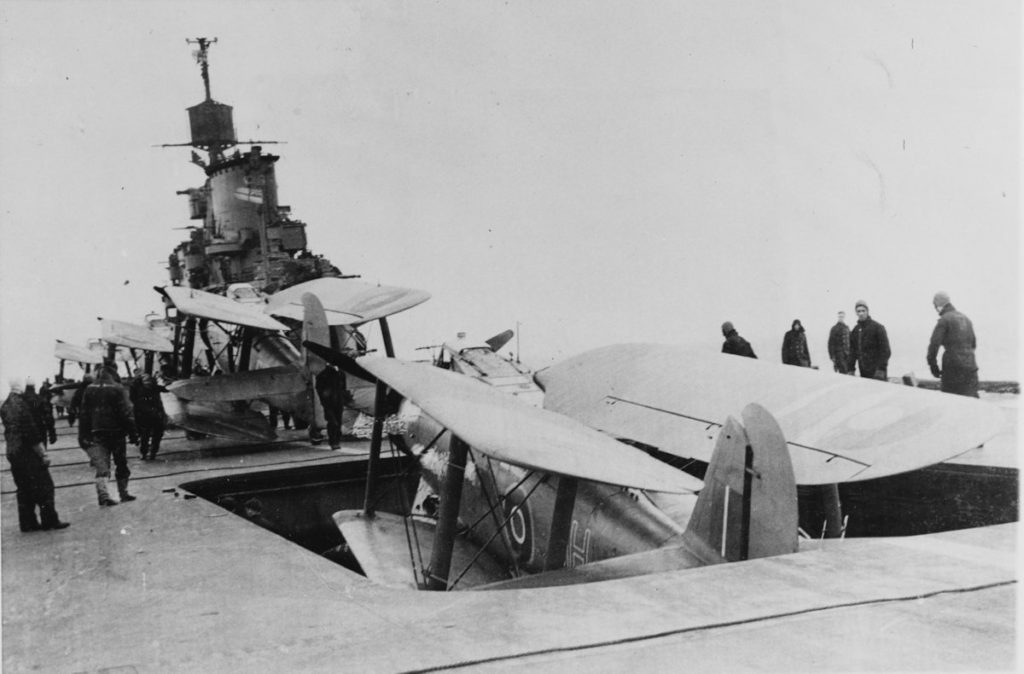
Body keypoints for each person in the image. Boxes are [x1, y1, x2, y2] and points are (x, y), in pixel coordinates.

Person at [1, 379, 69, 531]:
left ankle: (27, 523)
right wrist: (43, 454)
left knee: (23, 488)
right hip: (28, 453)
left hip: (13, 452)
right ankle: (49, 520)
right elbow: (31, 433)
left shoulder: (5, 405)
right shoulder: (22, 405)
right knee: (45, 486)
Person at [78, 366, 139, 506]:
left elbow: (84, 414)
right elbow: (126, 413)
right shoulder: (117, 388)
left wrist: (83, 435)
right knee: (121, 464)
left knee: (102, 465)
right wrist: (133, 433)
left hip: (97, 433)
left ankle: (103, 495)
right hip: (117, 433)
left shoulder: (89, 389)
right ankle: (123, 493)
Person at [926, 291, 979, 397]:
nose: (935, 308)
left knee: (950, 402)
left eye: (934, 305)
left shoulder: (944, 320)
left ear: (938, 304)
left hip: (953, 367)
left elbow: (934, 345)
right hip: (971, 367)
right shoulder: (966, 319)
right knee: (971, 402)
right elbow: (973, 343)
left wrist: (933, 365)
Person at [849, 300, 891, 380]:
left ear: (867, 311)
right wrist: (850, 369)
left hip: (877, 372)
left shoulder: (878, 327)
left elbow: (886, 351)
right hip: (863, 371)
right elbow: (852, 352)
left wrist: (881, 369)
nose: (861, 313)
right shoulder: (855, 331)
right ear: (856, 313)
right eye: (858, 311)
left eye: (863, 311)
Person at [130, 374, 167, 459]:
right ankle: (148, 452)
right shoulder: (146, 389)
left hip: (148, 415)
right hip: (150, 415)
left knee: (148, 435)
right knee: (148, 435)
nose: (148, 385)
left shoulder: (143, 389)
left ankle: (148, 453)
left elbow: (165, 389)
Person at [315, 364, 350, 449]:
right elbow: (319, 389)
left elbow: (343, 388)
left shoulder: (341, 373)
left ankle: (336, 441)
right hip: (329, 403)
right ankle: (333, 442)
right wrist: (324, 399)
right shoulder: (323, 375)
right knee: (333, 422)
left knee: (337, 422)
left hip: (338, 401)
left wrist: (344, 398)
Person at [23, 377, 57, 446]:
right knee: (41, 454)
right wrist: (52, 434)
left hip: (25, 435)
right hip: (40, 432)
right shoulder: (39, 399)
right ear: (34, 386)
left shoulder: (20, 400)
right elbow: (48, 417)